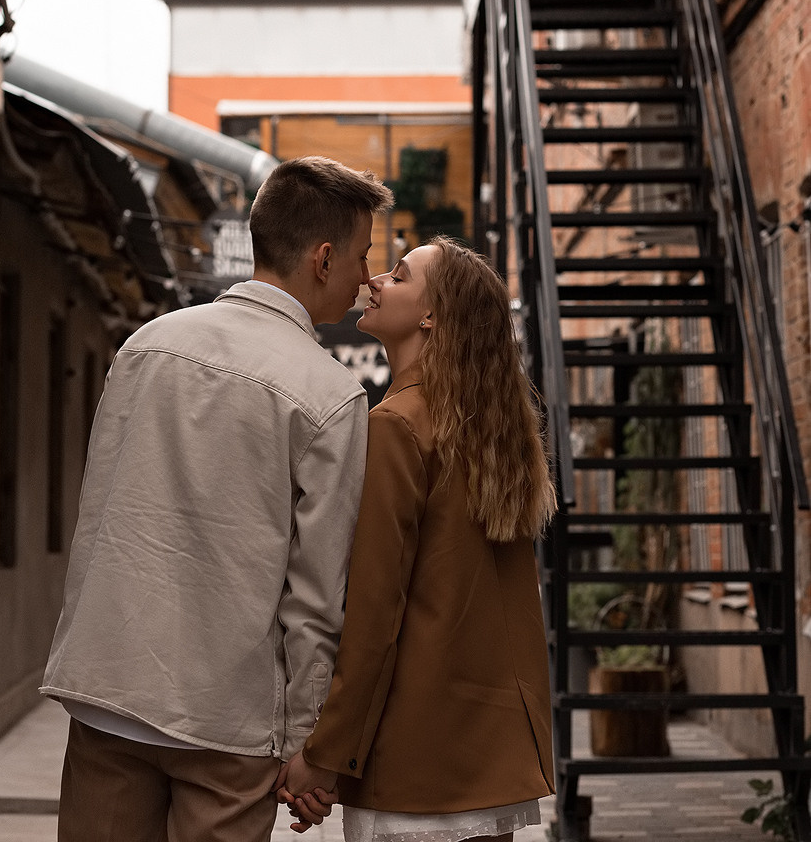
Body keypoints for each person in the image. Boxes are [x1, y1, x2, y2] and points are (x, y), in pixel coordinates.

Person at [41, 156, 393, 842]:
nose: (366, 276)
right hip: (224, 717)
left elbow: (104, 515)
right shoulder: (329, 394)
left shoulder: (146, 345)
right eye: (361, 255)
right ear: (323, 259)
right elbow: (315, 595)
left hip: (109, 690)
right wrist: (304, 741)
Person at [277, 236, 557, 842]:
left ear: (431, 315)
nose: (375, 280)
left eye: (399, 276)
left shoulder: (398, 425)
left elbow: (376, 613)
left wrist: (324, 757)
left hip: (414, 763)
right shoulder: (491, 429)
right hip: (489, 757)